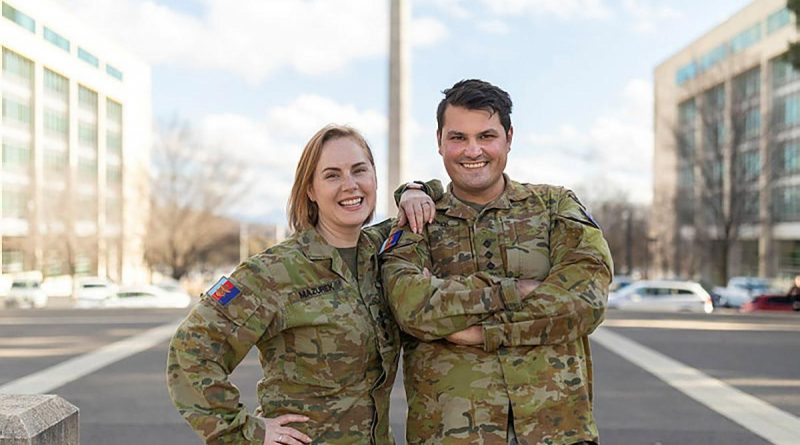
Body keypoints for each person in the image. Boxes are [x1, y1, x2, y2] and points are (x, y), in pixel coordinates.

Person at [166, 124, 442, 445]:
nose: (350, 185)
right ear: (310, 189)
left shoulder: (384, 250)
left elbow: (442, 197)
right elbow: (190, 353)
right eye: (332, 175)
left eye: (359, 170)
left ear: (375, 178)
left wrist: (414, 189)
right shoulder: (274, 271)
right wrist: (248, 432)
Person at [380, 79, 614, 445]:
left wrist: (478, 331)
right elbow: (411, 306)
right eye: (458, 137)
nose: (472, 150)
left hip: (556, 432)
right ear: (439, 140)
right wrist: (517, 290)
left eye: (486, 136)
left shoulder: (554, 207)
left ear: (509, 137)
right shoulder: (418, 220)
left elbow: (584, 301)